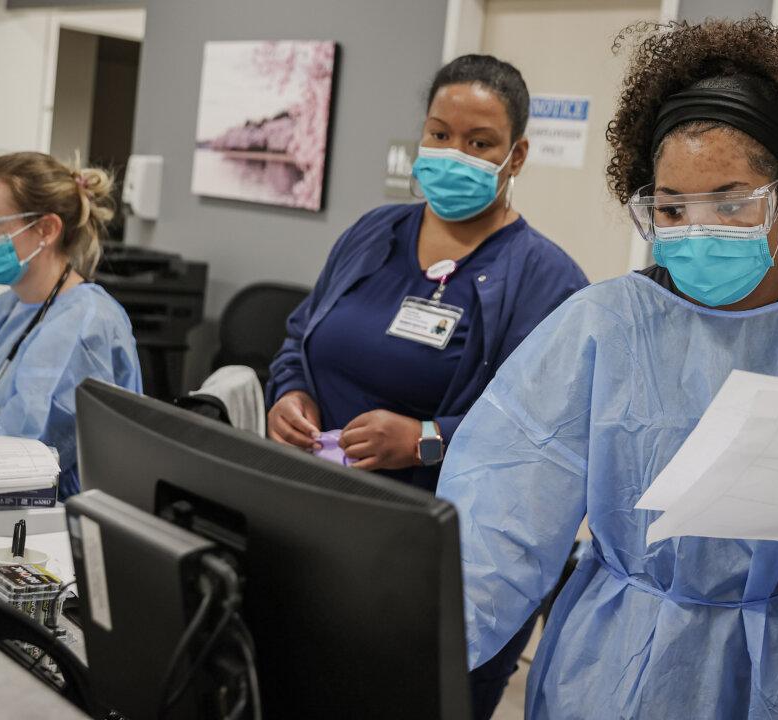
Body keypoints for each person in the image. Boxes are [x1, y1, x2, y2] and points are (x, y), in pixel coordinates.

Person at [436, 18, 778, 719]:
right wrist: (409, 647)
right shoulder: (601, 326)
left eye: (729, 203)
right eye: (671, 207)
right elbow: (496, 525)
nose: (695, 229)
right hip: (611, 674)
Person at [265, 54, 588, 717]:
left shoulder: (546, 280)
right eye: (440, 134)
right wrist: (288, 396)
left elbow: (546, 441)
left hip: (440, 565)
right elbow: (302, 337)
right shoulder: (372, 233)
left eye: (479, 143)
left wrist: (426, 440)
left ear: (517, 155)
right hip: (321, 531)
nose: (454, 154)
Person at [0, 152, 142, 499]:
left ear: (46, 229)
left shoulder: (85, 325)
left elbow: (20, 460)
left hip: (51, 523)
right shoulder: (11, 306)